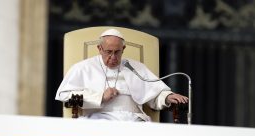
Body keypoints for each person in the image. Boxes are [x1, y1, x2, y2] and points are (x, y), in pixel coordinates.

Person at [55, 28, 188, 121]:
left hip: (135, 120)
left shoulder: (136, 68)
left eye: (117, 52)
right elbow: (64, 95)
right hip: (99, 120)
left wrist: (167, 97)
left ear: (123, 49)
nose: (113, 57)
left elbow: (154, 93)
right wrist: (100, 97)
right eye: (108, 52)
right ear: (99, 49)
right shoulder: (82, 68)